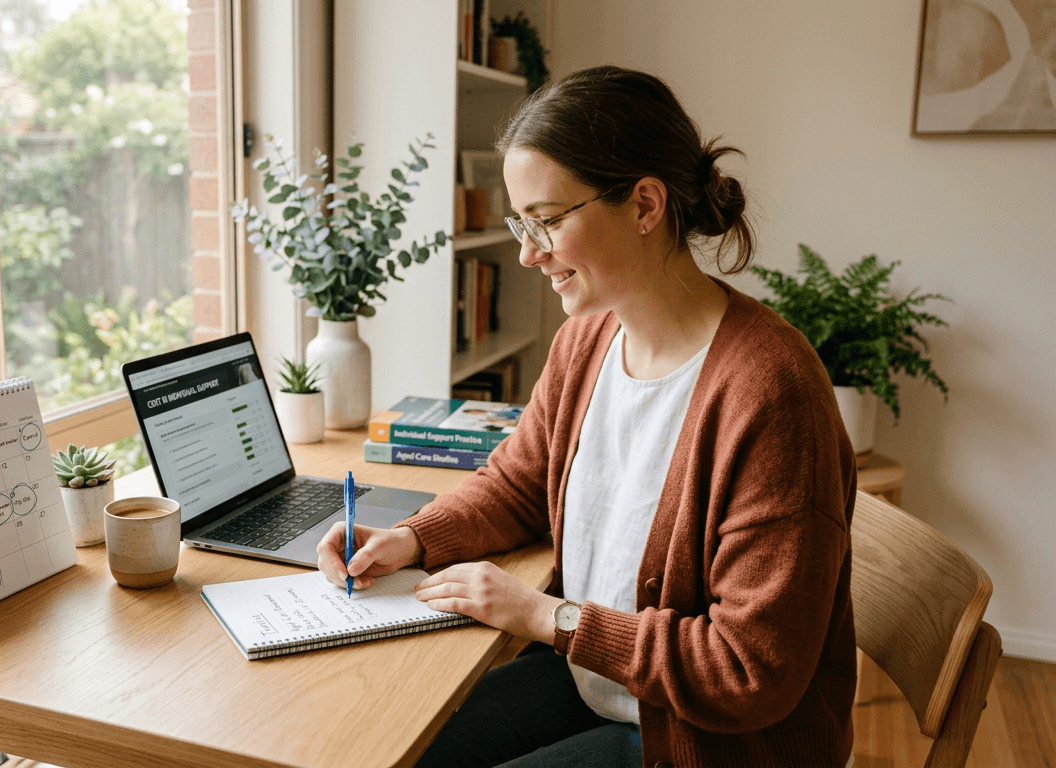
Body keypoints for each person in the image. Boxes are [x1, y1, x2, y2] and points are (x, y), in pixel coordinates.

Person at [316, 65, 857, 768]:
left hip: (714, 743)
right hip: (599, 680)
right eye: (521, 222)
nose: (526, 252)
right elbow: (517, 485)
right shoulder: (588, 339)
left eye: (545, 221)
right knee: (387, 748)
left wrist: (543, 616)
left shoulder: (772, 392)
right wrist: (413, 539)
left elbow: (749, 671)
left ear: (644, 206)